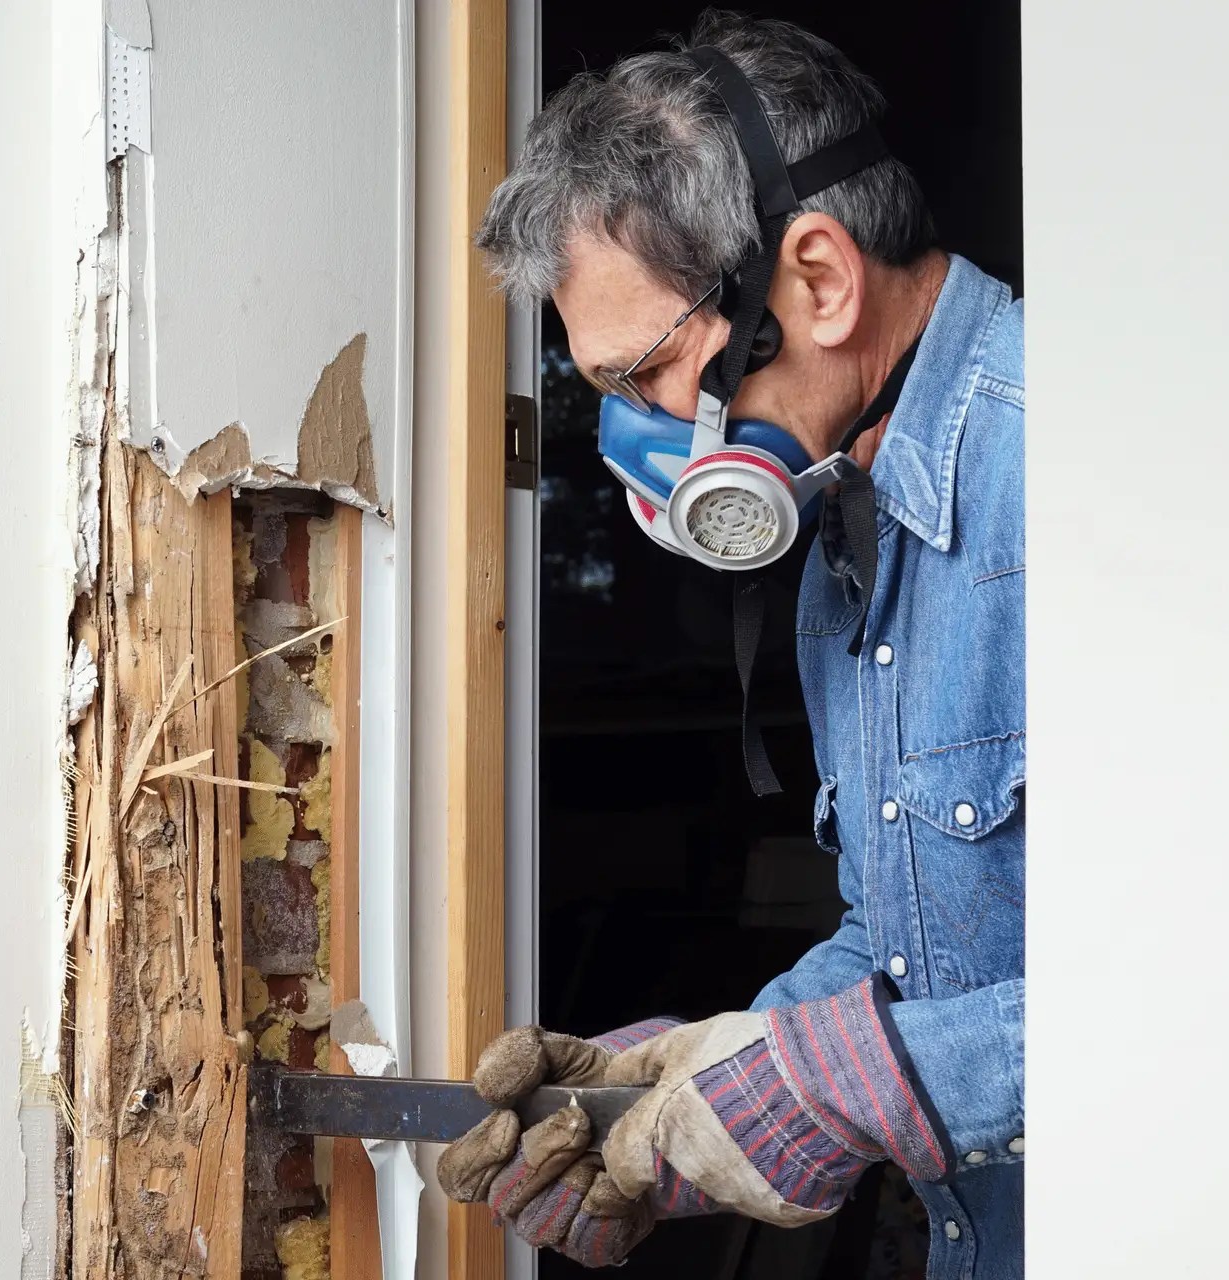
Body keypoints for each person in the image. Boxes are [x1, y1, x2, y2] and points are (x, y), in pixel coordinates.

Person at [438, 12, 1025, 1279]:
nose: (637, 442)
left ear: (814, 281)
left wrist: (842, 1092)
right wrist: (697, 1077)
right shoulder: (840, 527)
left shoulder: (1094, 480)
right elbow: (910, 941)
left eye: (647, 378)